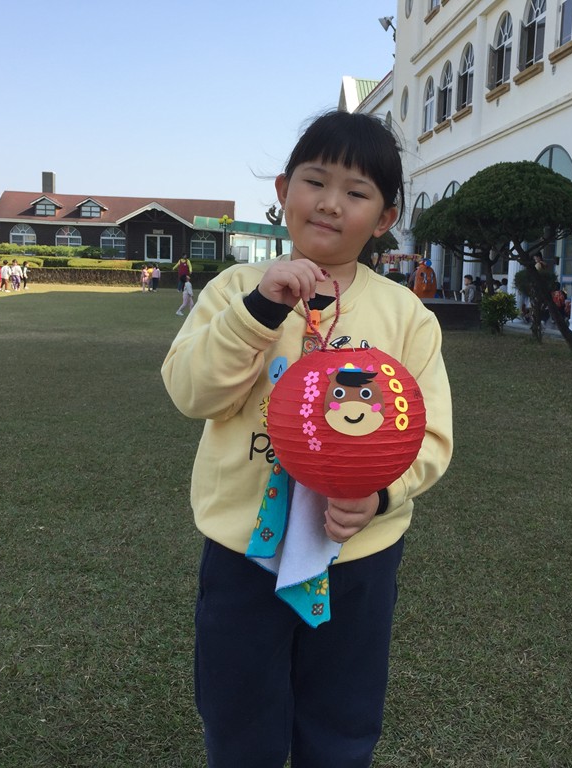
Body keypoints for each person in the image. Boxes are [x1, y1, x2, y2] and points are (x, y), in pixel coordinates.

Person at [161, 110, 453, 768]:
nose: (329, 203)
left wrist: (381, 496)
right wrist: (259, 312)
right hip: (244, 552)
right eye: (314, 181)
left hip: (357, 558)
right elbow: (191, 392)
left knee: (342, 722)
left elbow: (432, 434)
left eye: (356, 192)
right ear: (282, 190)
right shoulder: (234, 290)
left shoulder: (405, 317)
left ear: (384, 218)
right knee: (240, 719)